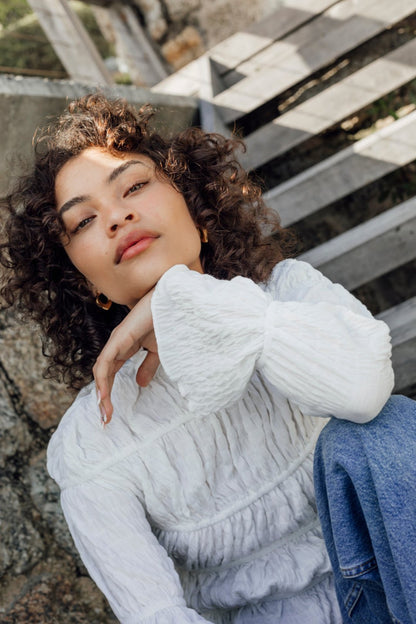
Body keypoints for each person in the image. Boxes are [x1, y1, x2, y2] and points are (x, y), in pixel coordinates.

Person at [0, 93, 411, 623]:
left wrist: (180, 298)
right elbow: (157, 615)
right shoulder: (91, 444)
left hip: (398, 582)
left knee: (386, 425)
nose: (117, 216)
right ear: (84, 281)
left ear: (195, 209)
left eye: (135, 186)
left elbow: (362, 391)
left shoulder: (287, 294)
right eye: (82, 223)